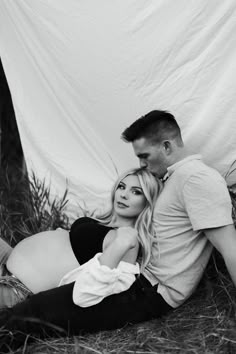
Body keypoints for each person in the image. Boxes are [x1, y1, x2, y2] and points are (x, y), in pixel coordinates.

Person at [1, 109, 235, 352]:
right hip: (135, 278)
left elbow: (230, 247)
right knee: (33, 311)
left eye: (144, 156)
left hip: (149, 289)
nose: (142, 164)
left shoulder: (196, 179)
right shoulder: (174, 179)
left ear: (167, 146)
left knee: (32, 314)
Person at [0, 167, 161, 310]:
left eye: (136, 192)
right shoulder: (104, 223)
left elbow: (96, 286)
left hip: (18, 287)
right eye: (122, 187)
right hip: (8, 259)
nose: (124, 195)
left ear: (148, 201)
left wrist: (121, 244)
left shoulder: (127, 240)